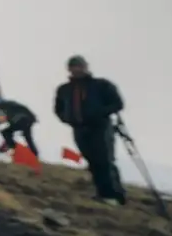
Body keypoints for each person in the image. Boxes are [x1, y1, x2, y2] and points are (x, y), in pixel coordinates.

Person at [54, 56, 126, 204]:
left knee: (105, 160)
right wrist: (67, 118)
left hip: (100, 128)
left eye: (80, 66)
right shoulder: (64, 89)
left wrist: (100, 113)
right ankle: (102, 193)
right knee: (92, 161)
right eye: (73, 66)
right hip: (79, 129)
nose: (76, 69)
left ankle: (115, 195)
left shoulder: (101, 85)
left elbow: (117, 103)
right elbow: (58, 108)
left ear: (86, 67)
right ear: (69, 69)